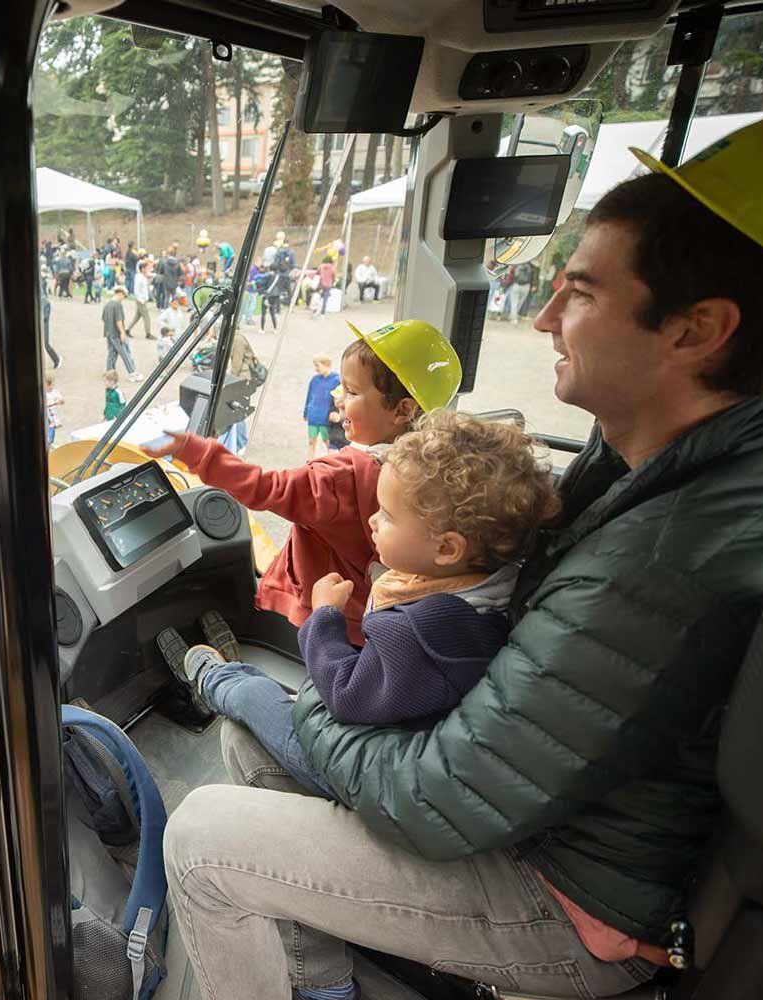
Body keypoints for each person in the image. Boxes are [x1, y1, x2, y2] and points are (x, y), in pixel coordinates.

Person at [161, 113, 763, 1000]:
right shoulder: (696, 468)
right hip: (561, 824)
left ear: (696, 331)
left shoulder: (669, 553)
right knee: (250, 741)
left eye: (578, 291)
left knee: (203, 837)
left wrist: (293, 707)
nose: (541, 317)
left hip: (569, 900)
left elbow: (442, 796)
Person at [159, 411, 560, 799]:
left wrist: (325, 616)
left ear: (447, 548)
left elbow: (346, 693)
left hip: (354, 767)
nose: (371, 523)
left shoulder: (420, 632)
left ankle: (209, 676)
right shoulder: (486, 592)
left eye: (385, 516)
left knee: (250, 696)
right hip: (399, 734)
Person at [144, 320, 461, 645]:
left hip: (319, 616)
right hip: (366, 620)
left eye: (352, 391)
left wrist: (196, 451)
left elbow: (265, 488)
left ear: (402, 410)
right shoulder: (438, 470)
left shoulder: (341, 476)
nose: (339, 397)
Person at [302, 353, 340, 460]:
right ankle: (309, 463)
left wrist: (336, 412)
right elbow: (309, 396)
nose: (316, 369)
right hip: (313, 416)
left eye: (317, 365)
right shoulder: (314, 380)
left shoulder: (336, 380)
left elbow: (339, 398)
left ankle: (331, 463)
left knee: (328, 442)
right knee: (311, 442)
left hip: (326, 418)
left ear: (326, 365)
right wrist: (306, 412)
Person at [101, 287, 139, 382]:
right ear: (121, 293)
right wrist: (122, 332)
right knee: (124, 353)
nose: (124, 298)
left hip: (108, 332)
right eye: (124, 296)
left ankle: (109, 372)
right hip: (116, 333)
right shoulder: (117, 305)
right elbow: (119, 320)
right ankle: (132, 372)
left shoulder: (107, 304)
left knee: (112, 354)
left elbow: (103, 319)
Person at [38, 268, 61, 368]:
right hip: (42, 311)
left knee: (46, 344)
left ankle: (56, 359)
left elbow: (45, 303)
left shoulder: (43, 298)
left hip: (43, 314)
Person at [127, 270, 153, 340]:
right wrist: (140, 299)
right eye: (147, 268)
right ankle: (148, 333)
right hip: (141, 300)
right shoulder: (139, 278)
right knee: (146, 317)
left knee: (137, 317)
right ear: (143, 269)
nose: (149, 269)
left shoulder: (143, 277)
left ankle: (127, 329)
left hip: (143, 299)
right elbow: (136, 289)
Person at [44, 373, 64, 448]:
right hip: (46, 415)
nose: (50, 387)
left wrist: (58, 401)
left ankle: (50, 443)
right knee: (48, 428)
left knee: (51, 428)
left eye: (51, 385)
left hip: (52, 415)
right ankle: (48, 443)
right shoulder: (43, 393)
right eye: (48, 385)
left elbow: (62, 401)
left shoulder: (54, 392)